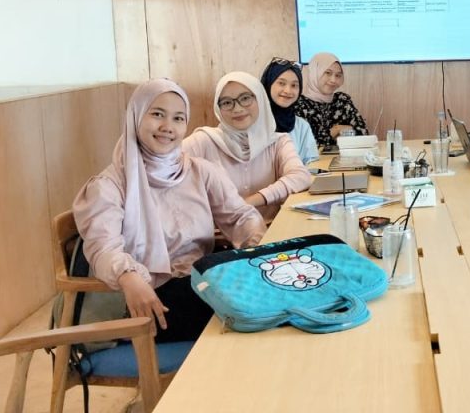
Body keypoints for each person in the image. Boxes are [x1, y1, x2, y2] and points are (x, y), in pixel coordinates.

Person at [73, 79, 266, 342]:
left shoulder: (200, 171)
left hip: (199, 282)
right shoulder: (108, 186)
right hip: (149, 299)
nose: (167, 127)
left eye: (178, 118)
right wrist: (128, 276)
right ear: (136, 116)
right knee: (254, 313)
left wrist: (254, 243)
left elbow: (241, 215)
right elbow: (103, 249)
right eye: (157, 114)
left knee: (272, 289)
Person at [183, 71, 313, 220]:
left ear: (260, 99)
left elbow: (301, 177)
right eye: (227, 102)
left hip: (270, 230)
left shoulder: (278, 142)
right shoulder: (204, 141)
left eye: (245, 98)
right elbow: (164, 164)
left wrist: (248, 202)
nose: (237, 109)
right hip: (217, 233)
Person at [295, 52, 368, 147]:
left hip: (344, 156)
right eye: (328, 73)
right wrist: (336, 130)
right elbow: (306, 145)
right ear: (315, 73)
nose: (333, 80)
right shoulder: (300, 104)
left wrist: (339, 130)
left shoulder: (342, 100)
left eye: (338, 75)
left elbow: (363, 133)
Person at [260, 57, 320, 165]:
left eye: (294, 85)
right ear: (268, 84)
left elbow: (312, 165)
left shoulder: (301, 126)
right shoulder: (253, 123)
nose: (288, 91)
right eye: (281, 83)